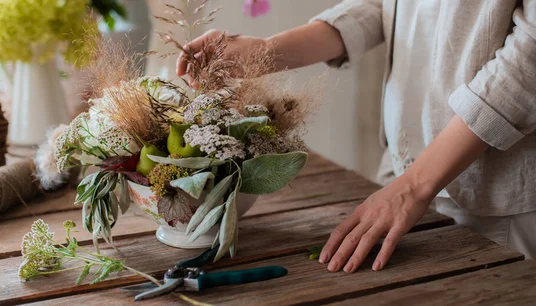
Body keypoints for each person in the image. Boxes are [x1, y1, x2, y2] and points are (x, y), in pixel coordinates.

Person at [176, 0, 536, 273]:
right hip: (399, 173)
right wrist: (265, 52)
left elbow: (529, 58)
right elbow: (380, 5)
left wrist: (413, 187)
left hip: (492, 198)